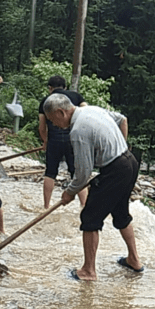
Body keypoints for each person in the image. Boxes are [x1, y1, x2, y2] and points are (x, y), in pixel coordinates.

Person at [43, 94, 140, 281]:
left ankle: (88, 271)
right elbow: (122, 119)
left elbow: (83, 173)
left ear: (60, 112)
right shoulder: (92, 109)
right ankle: (134, 260)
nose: (54, 125)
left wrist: (69, 193)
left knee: (90, 217)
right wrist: (119, 146)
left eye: (52, 120)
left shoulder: (78, 130)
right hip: (129, 161)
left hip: (116, 170)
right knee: (120, 212)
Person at [38, 75, 88, 210]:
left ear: (50, 88)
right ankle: (84, 205)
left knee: (50, 173)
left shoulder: (45, 101)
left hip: (54, 140)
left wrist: (45, 142)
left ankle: (46, 206)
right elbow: (87, 112)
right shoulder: (76, 96)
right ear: (65, 87)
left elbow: (42, 127)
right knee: (77, 173)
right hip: (74, 139)